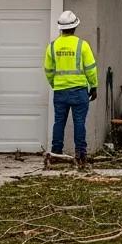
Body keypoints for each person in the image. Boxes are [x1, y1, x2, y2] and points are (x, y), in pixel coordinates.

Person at [44, 11, 98, 169]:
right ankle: (81, 155)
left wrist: (55, 84)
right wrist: (93, 86)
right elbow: (91, 69)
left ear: (61, 28)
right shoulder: (82, 45)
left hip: (60, 91)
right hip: (79, 91)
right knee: (79, 122)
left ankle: (55, 154)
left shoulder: (52, 46)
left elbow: (48, 70)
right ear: (75, 27)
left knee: (59, 122)